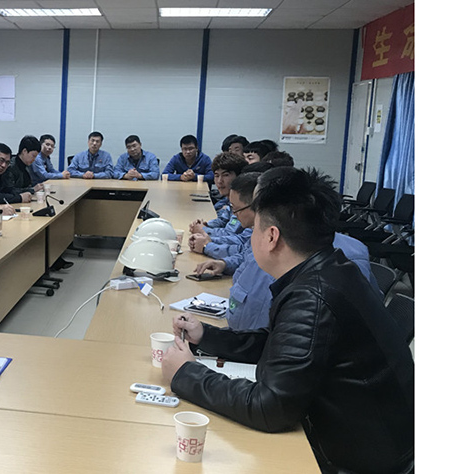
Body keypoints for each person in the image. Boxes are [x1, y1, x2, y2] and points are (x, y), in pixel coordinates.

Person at [163, 167, 414, 474]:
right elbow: (281, 347)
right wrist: (207, 336)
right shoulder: (330, 270)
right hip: (364, 440)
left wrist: (186, 373)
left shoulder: (313, 297)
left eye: (255, 228)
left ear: (271, 237)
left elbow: (270, 407)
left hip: (355, 462)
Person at [192, 170, 380, 331]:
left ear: (272, 236)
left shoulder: (309, 292)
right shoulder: (300, 251)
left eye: (256, 226)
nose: (251, 233)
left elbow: (269, 341)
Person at [188, 152, 248, 257]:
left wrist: (204, 231)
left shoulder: (243, 202)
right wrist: (207, 224)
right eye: (216, 176)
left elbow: (230, 233)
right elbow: (223, 220)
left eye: (226, 175)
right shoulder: (230, 201)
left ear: (239, 177)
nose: (220, 181)